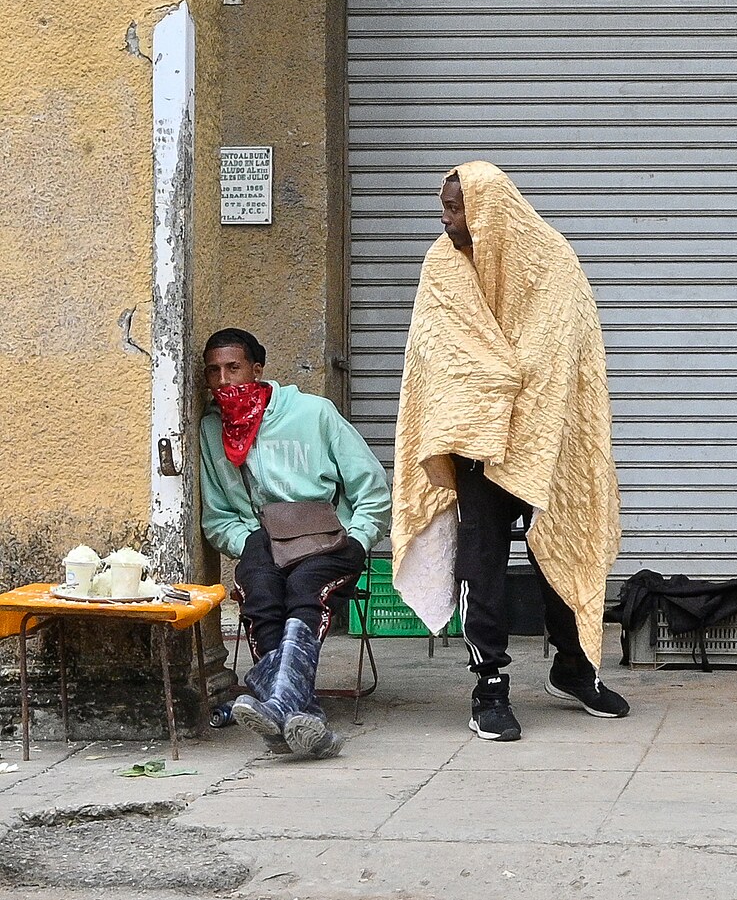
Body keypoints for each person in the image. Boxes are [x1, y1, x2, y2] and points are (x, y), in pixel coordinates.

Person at [389, 161, 629, 743]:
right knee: (481, 561)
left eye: (456, 209)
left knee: (564, 547)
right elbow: (441, 352)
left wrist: (509, 388)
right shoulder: (441, 265)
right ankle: (489, 685)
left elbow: (564, 353)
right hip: (477, 442)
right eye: (444, 209)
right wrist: (495, 388)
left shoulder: (552, 262)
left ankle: (575, 668)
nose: (446, 221)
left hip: (551, 438)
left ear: (488, 211)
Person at [197, 328, 392, 759]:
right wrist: (252, 541)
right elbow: (217, 518)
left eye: (234, 368)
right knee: (260, 592)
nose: (224, 380)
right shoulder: (211, 429)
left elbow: (372, 486)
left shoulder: (314, 412)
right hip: (263, 538)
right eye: (214, 371)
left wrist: (359, 538)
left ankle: (278, 704)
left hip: (329, 536)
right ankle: (301, 714)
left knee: (304, 587)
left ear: (257, 369)